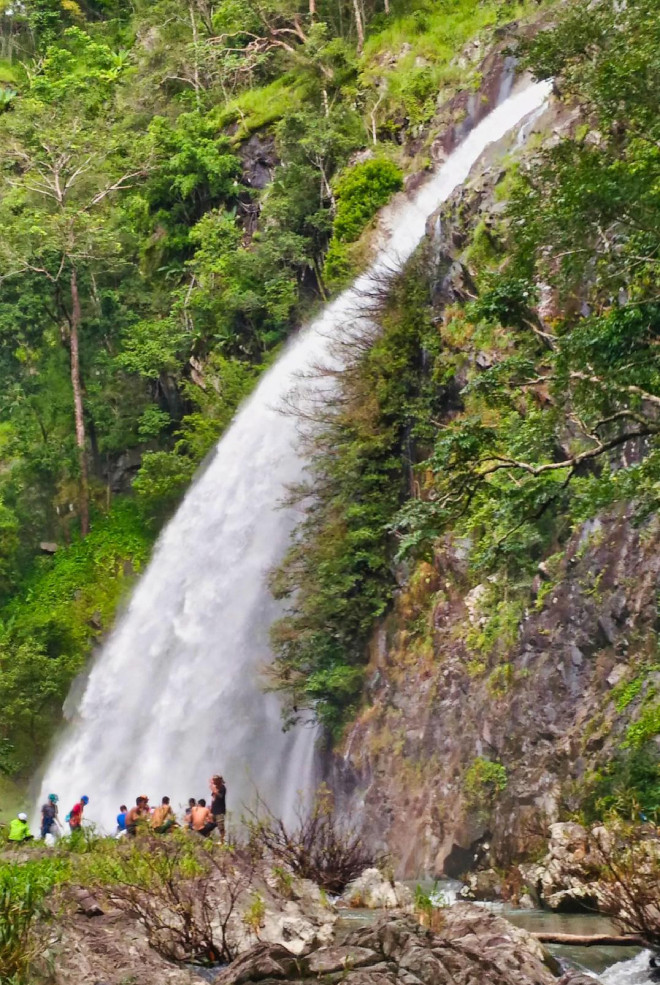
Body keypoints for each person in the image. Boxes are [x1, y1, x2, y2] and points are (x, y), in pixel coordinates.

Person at [210, 775, 227, 843]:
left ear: (219, 780)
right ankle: (211, 839)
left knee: (221, 827)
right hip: (213, 810)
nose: (213, 781)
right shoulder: (216, 787)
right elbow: (213, 797)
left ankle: (222, 841)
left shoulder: (223, 788)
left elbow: (221, 796)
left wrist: (215, 791)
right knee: (210, 825)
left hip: (219, 810)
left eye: (214, 780)